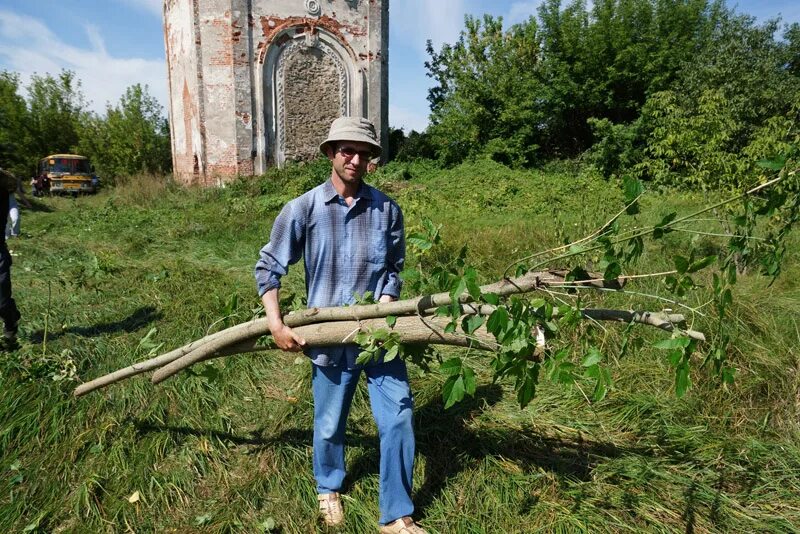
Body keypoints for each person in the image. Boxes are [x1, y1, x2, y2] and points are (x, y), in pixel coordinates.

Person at [254, 117, 426, 534]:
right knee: (330, 423)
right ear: (330, 153)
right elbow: (268, 268)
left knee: (400, 416)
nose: (354, 159)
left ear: (370, 161)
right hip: (329, 339)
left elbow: (393, 268)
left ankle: (396, 515)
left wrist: (385, 301)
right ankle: (328, 486)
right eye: (346, 150)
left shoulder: (387, 210)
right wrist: (276, 323)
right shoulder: (303, 209)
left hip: (380, 337)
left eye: (363, 153)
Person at [0, 168, 21, 347]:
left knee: (2, 301)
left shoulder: (5, 195)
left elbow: (15, 214)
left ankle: (11, 320)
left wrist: (15, 230)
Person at [7, 174, 32, 238]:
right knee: (6, 222)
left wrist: (27, 203)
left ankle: (15, 234)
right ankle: (7, 236)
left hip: (12, 205)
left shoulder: (10, 185)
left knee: (16, 218)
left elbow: (20, 194)